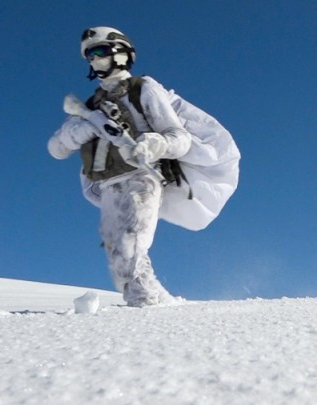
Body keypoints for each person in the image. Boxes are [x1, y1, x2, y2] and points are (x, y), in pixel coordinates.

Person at [48, 27, 239, 307]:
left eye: (100, 51)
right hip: (109, 184)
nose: (94, 60)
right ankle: (156, 302)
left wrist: (155, 144)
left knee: (130, 244)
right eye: (90, 55)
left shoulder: (143, 89)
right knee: (116, 255)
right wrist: (79, 130)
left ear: (122, 53)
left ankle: (147, 307)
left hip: (142, 177)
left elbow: (179, 137)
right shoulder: (90, 106)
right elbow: (56, 149)